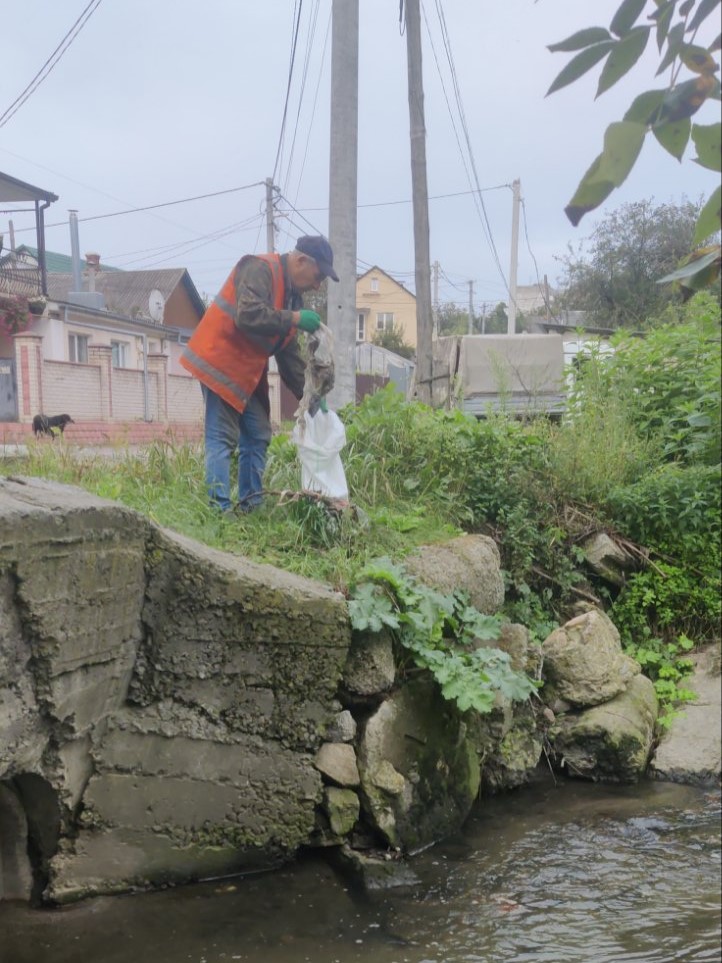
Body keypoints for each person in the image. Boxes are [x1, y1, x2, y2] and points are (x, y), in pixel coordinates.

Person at [180, 235, 339, 512]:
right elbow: (248, 315)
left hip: (248, 371)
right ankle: (218, 512)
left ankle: (249, 505)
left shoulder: (293, 298)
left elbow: (289, 357)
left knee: (258, 434)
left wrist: (312, 397)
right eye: (318, 276)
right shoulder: (259, 268)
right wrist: (295, 318)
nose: (318, 285)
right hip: (221, 360)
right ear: (302, 260)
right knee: (222, 437)